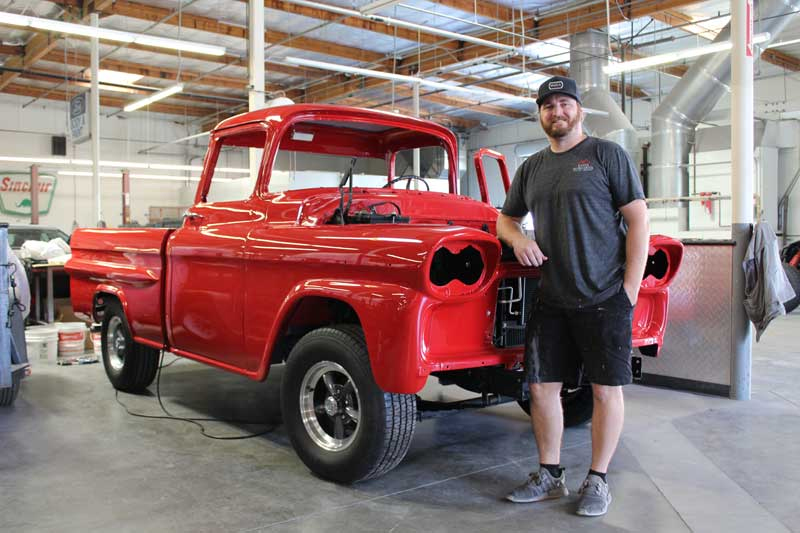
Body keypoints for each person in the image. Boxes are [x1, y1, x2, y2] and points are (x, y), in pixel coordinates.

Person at [496, 76, 649, 517]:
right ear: (540, 114)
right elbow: (505, 219)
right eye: (548, 106)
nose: (556, 112)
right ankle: (550, 475)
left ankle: (598, 479)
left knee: (605, 392)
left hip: (605, 296)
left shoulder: (606, 155)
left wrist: (630, 291)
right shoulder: (533, 167)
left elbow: (638, 221)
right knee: (542, 388)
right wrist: (518, 239)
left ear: (579, 110)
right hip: (553, 296)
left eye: (564, 103)